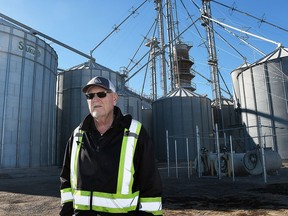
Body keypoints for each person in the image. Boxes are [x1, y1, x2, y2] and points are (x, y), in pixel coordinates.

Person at [60, 76, 163, 216]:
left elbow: (150, 183)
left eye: (101, 94)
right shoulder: (78, 134)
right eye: (90, 96)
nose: (95, 99)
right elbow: (66, 178)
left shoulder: (135, 132)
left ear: (115, 98)